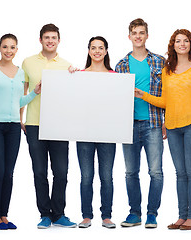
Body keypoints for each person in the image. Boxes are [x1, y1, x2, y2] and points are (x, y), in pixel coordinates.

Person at [135, 29, 191, 230]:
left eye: (186, 41)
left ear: (190, 45)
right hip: (173, 127)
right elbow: (166, 101)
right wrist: (144, 95)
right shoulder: (167, 70)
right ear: (173, 45)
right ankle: (181, 216)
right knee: (180, 173)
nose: (182, 44)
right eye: (178, 41)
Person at [0, 34, 41, 230]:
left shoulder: (21, 73)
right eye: (5, 47)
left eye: (12, 47)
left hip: (13, 127)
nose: (8, 51)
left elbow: (19, 101)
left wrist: (34, 93)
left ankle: (4, 215)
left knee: (9, 173)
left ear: (16, 50)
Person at [21, 24, 76, 229]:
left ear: (59, 40)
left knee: (61, 172)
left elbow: (74, 95)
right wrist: (21, 118)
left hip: (59, 125)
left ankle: (59, 214)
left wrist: (75, 75)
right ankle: (45, 214)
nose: (50, 41)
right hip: (34, 124)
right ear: (40, 40)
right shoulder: (27, 63)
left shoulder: (67, 65)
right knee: (39, 171)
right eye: (46, 37)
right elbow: (22, 91)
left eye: (54, 37)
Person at [115, 18, 165, 228]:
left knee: (156, 171)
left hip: (153, 123)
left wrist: (166, 121)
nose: (138, 36)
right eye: (134, 33)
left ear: (146, 36)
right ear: (129, 36)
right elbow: (114, 99)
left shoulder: (159, 62)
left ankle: (152, 213)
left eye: (141, 32)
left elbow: (166, 94)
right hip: (129, 125)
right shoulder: (121, 65)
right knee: (130, 172)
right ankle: (134, 213)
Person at [77, 36, 116, 229]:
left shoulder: (115, 76)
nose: (97, 51)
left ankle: (106, 215)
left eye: (101, 48)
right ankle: (86, 216)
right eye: (93, 48)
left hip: (108, 133)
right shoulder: (80, 75)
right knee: (86, 176)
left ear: (106, 51)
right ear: (89, 51)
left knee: (106, 176)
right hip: (84, 132)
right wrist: (70, 76)